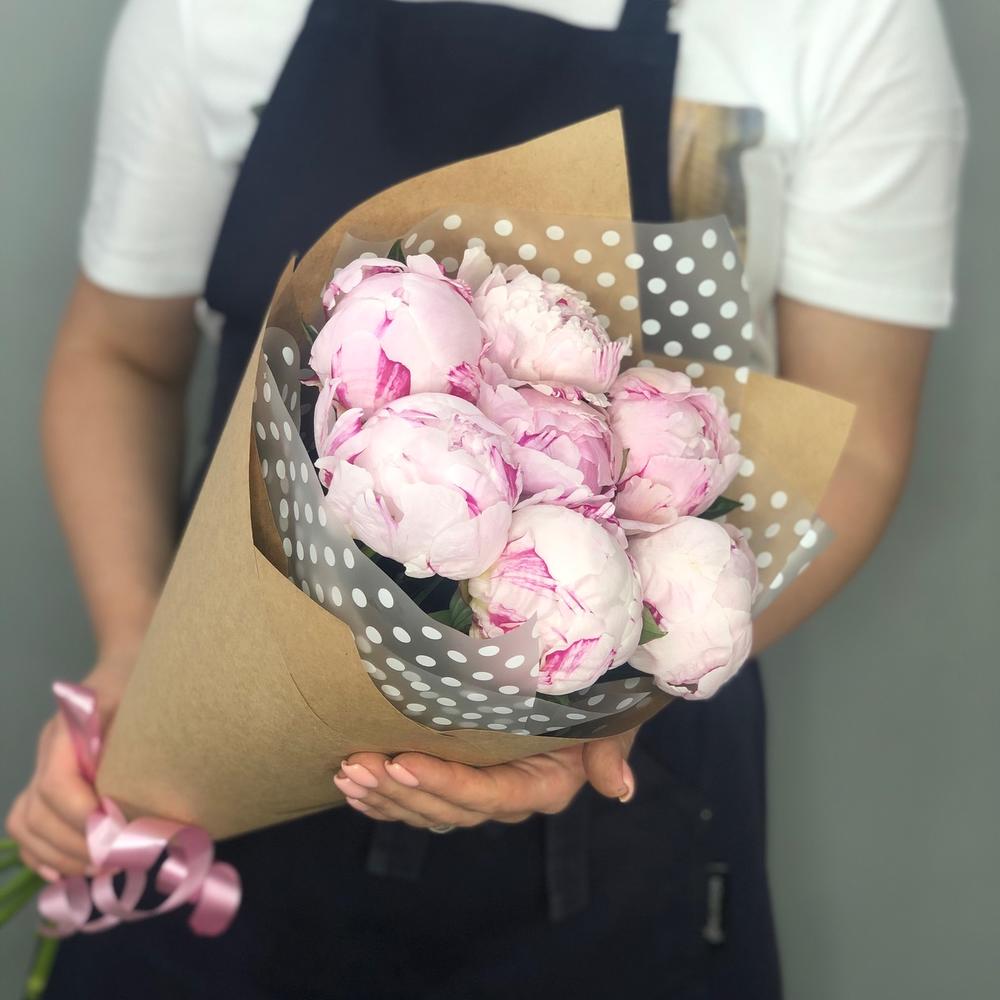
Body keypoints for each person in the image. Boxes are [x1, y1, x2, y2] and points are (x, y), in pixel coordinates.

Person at [6, 0, 966, 996]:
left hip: (619, 804)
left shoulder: (845, 20)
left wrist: (602, 702)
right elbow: (118, 354)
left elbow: (856, 449)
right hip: (226, 742)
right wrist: (132, 644)